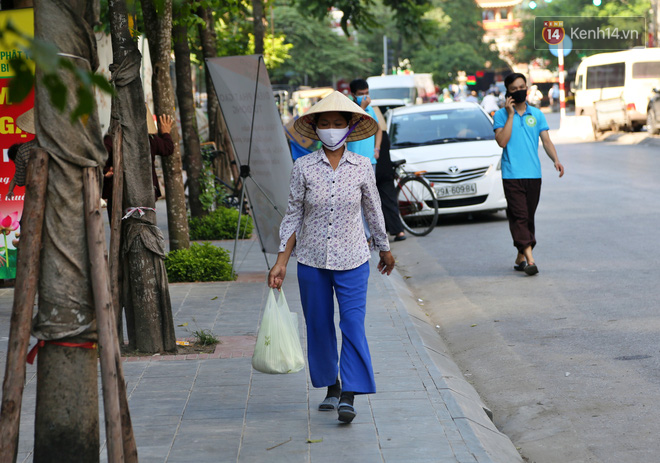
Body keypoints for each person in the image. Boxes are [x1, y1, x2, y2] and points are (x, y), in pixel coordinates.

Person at [268, 91, 395, 424]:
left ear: (349, 128)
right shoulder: (303, 167)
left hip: (353, 258)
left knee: (352, 324)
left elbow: (374, 210)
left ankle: (350, 394)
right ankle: (332, 386)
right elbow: (293, 214)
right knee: (320, 326)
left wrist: (384, 247)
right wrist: (282, 260)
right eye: (325, 123)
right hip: (311, 261)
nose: (331, 129)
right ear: (316, 128)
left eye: (338, 123)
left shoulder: (363, 167)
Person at [494, 73, 564, 276]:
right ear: (508, 92)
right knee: (520, 216)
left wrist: (556, 160)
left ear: (527, 87)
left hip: (533, 174)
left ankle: (520, 255)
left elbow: (546, 141)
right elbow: (502, 141)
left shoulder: (537, 114)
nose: (519, 91)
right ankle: (530, 260)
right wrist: (510, 115)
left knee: (528, 217)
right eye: (514, 89)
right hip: (512, 174)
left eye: (522, 87)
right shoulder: (500, 115)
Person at [102, 110, 174, 218]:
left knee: (122, 230)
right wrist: (166, 133)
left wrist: (106, 170)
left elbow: (100, 160)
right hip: (143, 194)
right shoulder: (149, 139)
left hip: (120, 194)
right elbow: (168, 148)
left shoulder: (111, 140)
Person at [373, 106, 406, 241]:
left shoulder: (371, 135)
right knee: (388, 200)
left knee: (376, 203)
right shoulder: (383, 134)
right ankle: (398, 231)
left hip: (377, 170)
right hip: (384, 170)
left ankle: (384, 232)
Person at [7, 109, 38, 200]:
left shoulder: (24, 150)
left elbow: (20, 180)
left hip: (36, 196)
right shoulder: (61, 146)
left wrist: (10, 191)